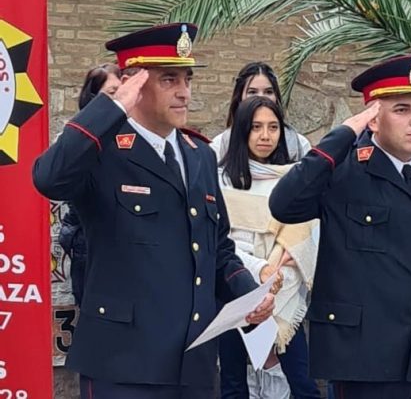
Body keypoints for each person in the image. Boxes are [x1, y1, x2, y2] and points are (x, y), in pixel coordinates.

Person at [32, 23, 276, 398]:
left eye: (187, 79)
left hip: (193, 363)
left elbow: (217, 249)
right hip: (124, 364)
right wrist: (111, 107)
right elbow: (49, 178)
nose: (184, 92)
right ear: (134, 84)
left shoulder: (199, 155)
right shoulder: (102, 150)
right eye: (168, 80)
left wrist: (249, 296)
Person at [268, 55, 411, 399]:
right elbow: (284, 204)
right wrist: (344, 134)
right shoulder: (344, 170)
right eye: (401, 110)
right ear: (373, 119)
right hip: (363, 358)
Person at [218, 96, 320, 398]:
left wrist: (276, 268)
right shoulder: (222, 179)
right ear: (242, 130)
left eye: (273, 127)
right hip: (235, 291)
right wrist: (259, 269)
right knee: (233, 383)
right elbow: (222, 242)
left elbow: (305, 232)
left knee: (302, 382)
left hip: (281, 291)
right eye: (256, 127)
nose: (266, 136)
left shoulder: (293, 178)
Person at [58, 63, 122, 307]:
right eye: (112, 93)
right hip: (89, 241)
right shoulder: (79, 138)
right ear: (93, 98)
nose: (120, 99)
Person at [210, 61, 311, 162]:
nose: (261, 97)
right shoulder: (219, 147)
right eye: (252, 92)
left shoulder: (300, 145)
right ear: (240, 97)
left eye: (268, 92)